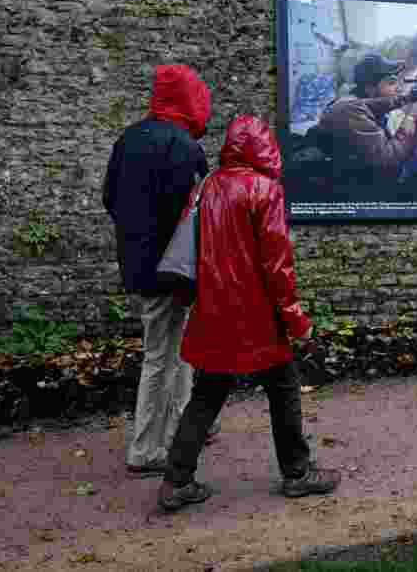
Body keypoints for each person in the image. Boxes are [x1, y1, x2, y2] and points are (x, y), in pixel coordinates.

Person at [156, 113, 341, 512]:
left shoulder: (206, 186)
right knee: (283, 388)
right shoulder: (264, 189)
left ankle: (176, 480)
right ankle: (297, 473)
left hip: (214, 307)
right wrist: (295, 319)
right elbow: (277, 264)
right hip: (257, 314)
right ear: (264, 145)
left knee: (207, 394)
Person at [102, 64, 218, 479]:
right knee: (162, 356)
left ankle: (186, 425)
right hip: (177, 269)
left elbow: (110, 198)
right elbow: (196, 214)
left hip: (140, 266)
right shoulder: (184, 147)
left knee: (173, 348)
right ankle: (147, 448)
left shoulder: (128, 139)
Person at [308, 52, 417, 184]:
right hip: (355, 184)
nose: (399, 88)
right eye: (392, 82)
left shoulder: (358, 102)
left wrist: (411, 99)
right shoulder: (349, 109)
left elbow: (386, 103)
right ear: (370, 87)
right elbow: (388, 161)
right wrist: (406, 131)